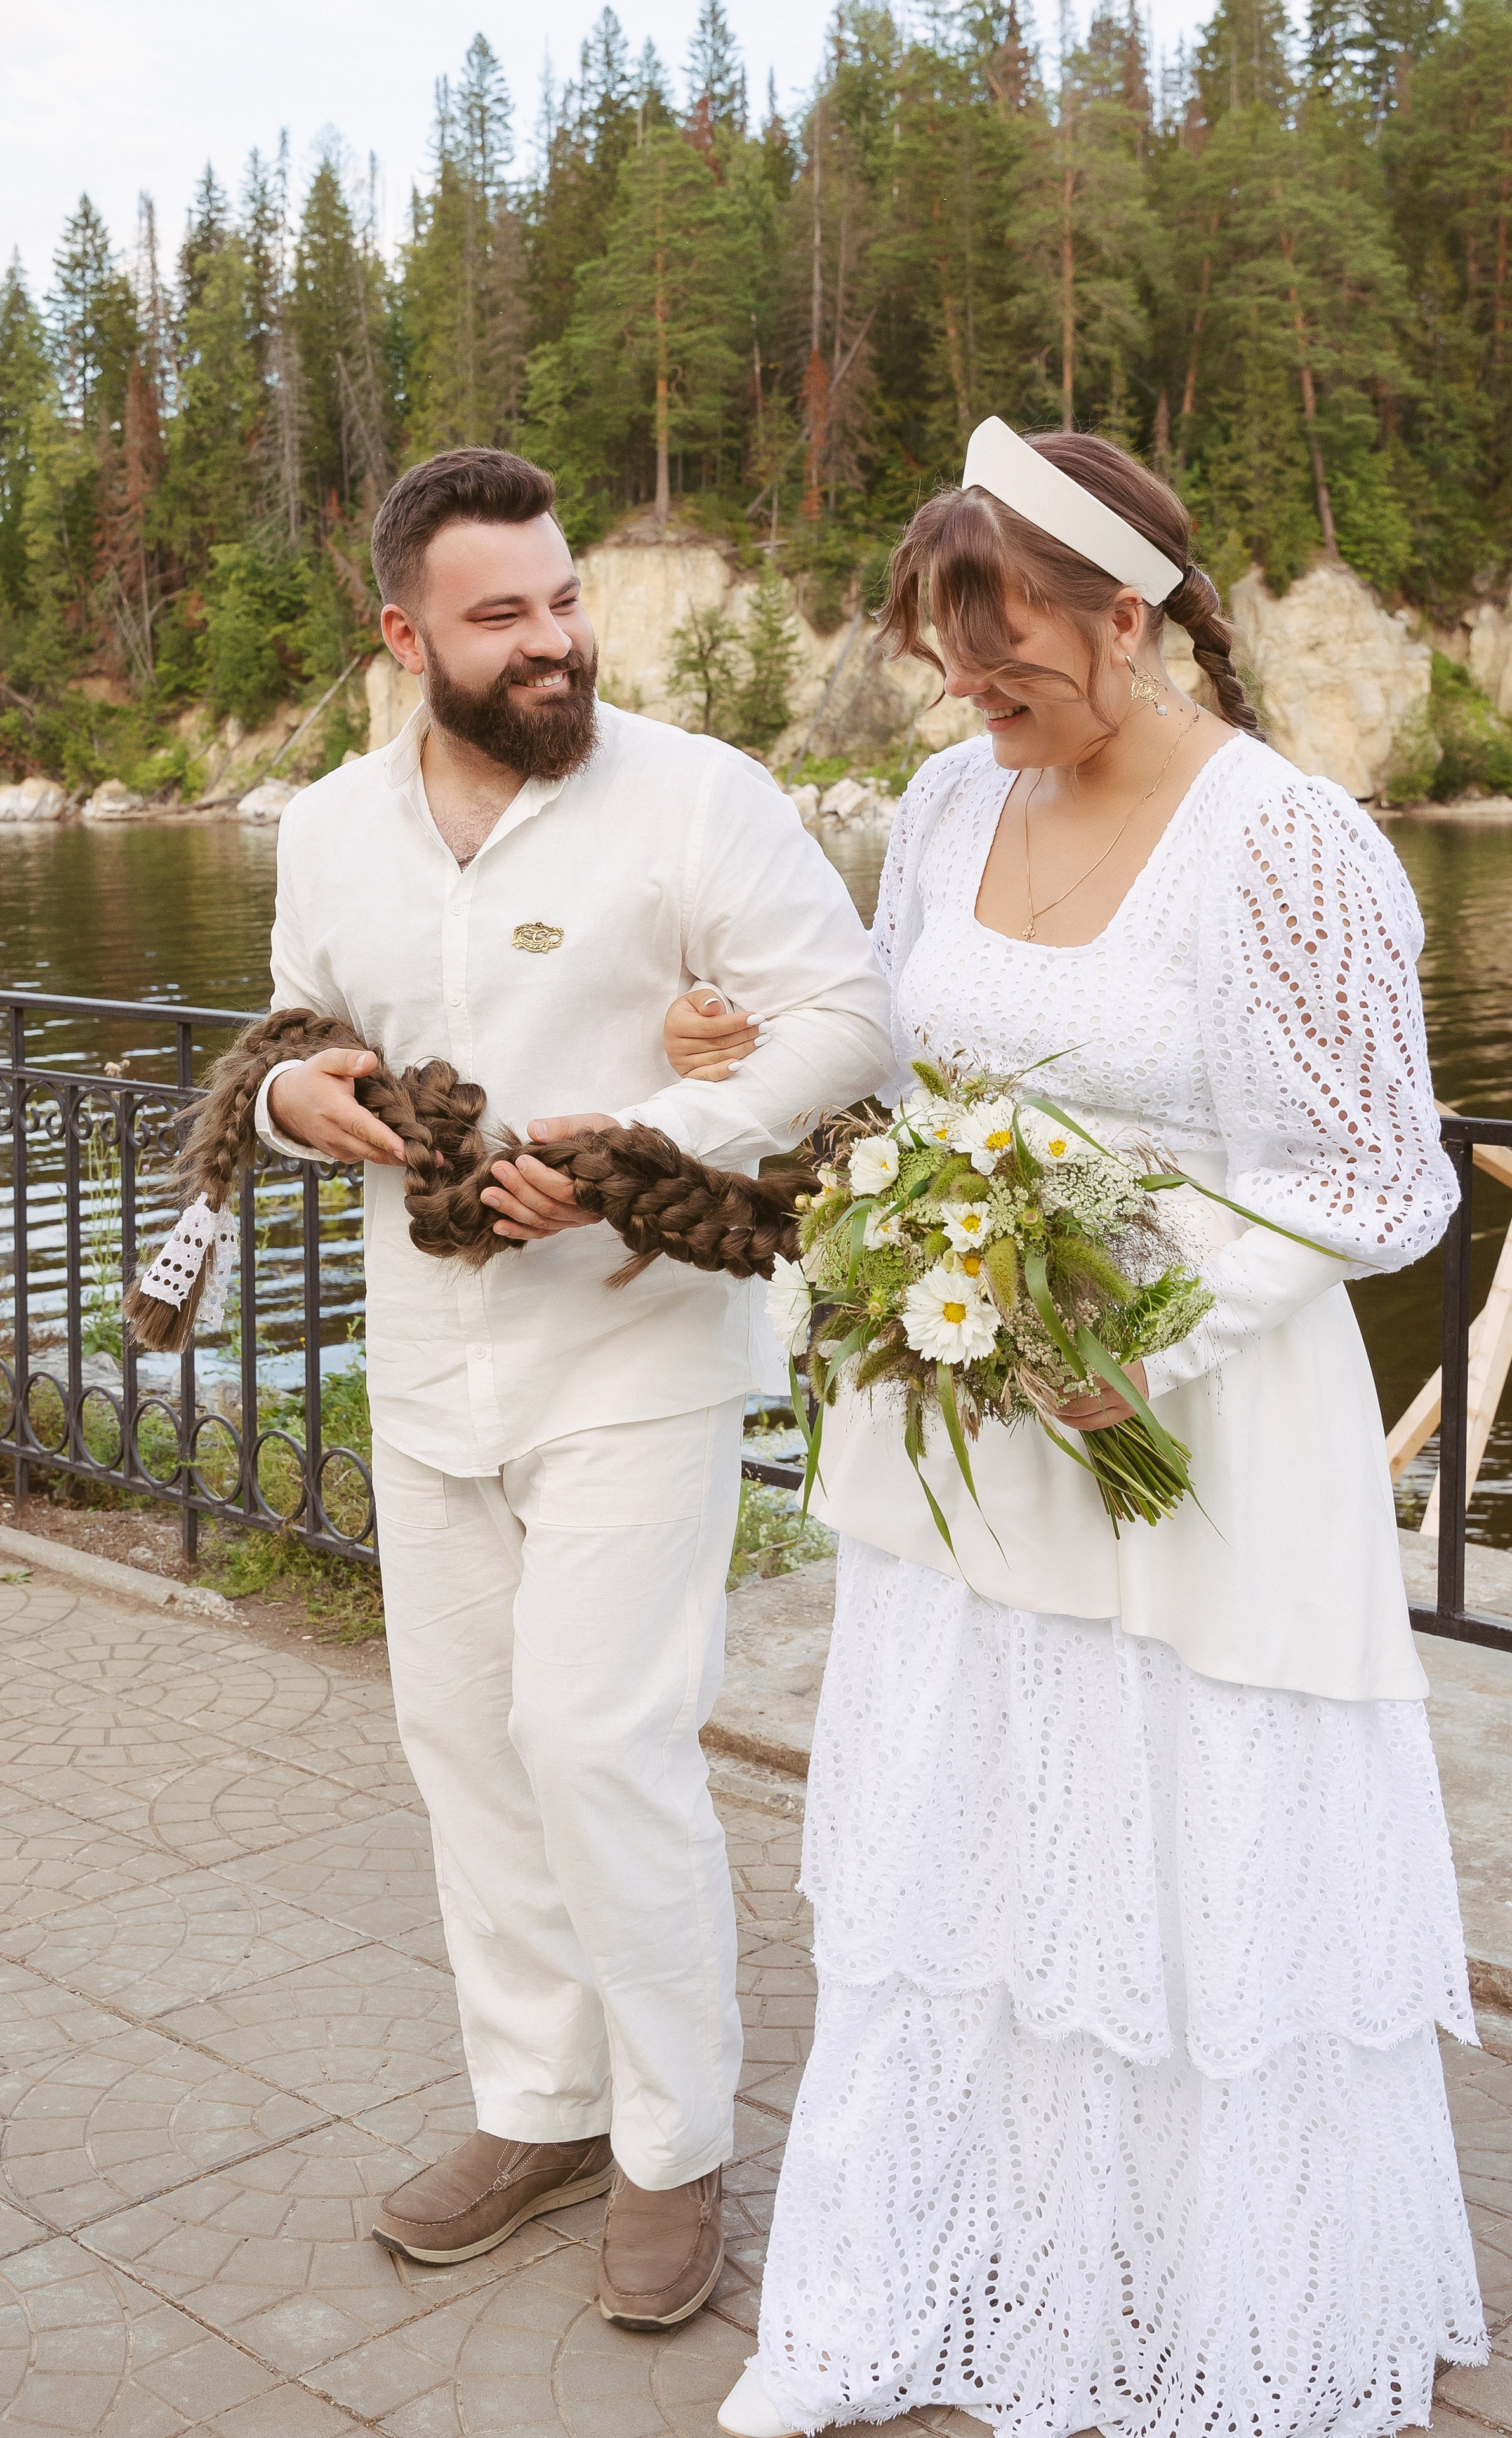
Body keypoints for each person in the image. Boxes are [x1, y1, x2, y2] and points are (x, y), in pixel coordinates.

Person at [665, 422, 1487, 2436]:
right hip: (981, 1427)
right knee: (973, 1848)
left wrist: (1133, 1329)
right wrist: (751, 1054)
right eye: (953, 662)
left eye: (1010, 655)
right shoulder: (952, 799)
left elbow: (1387, 1178)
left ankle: (1222, 2314)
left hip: (1188, 1434)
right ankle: (913, 2291)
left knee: (1187, 1845)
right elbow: (909, 1037)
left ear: (1133, 612)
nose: (976, 697)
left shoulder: (1286, 841)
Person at [253, 446, 892, 2331]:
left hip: (635, 1356)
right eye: (502, 615)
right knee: (464, 1749)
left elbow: (851, 1009)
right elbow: (296, 1034)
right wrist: (304, 1104)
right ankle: (534, 2105)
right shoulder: (325, 829)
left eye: (565, 599)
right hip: (425, 1365)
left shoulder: (701, 796)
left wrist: (659, 1136)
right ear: (404, 635)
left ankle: (675, 2145)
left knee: (602, 1749)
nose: (554, 642)